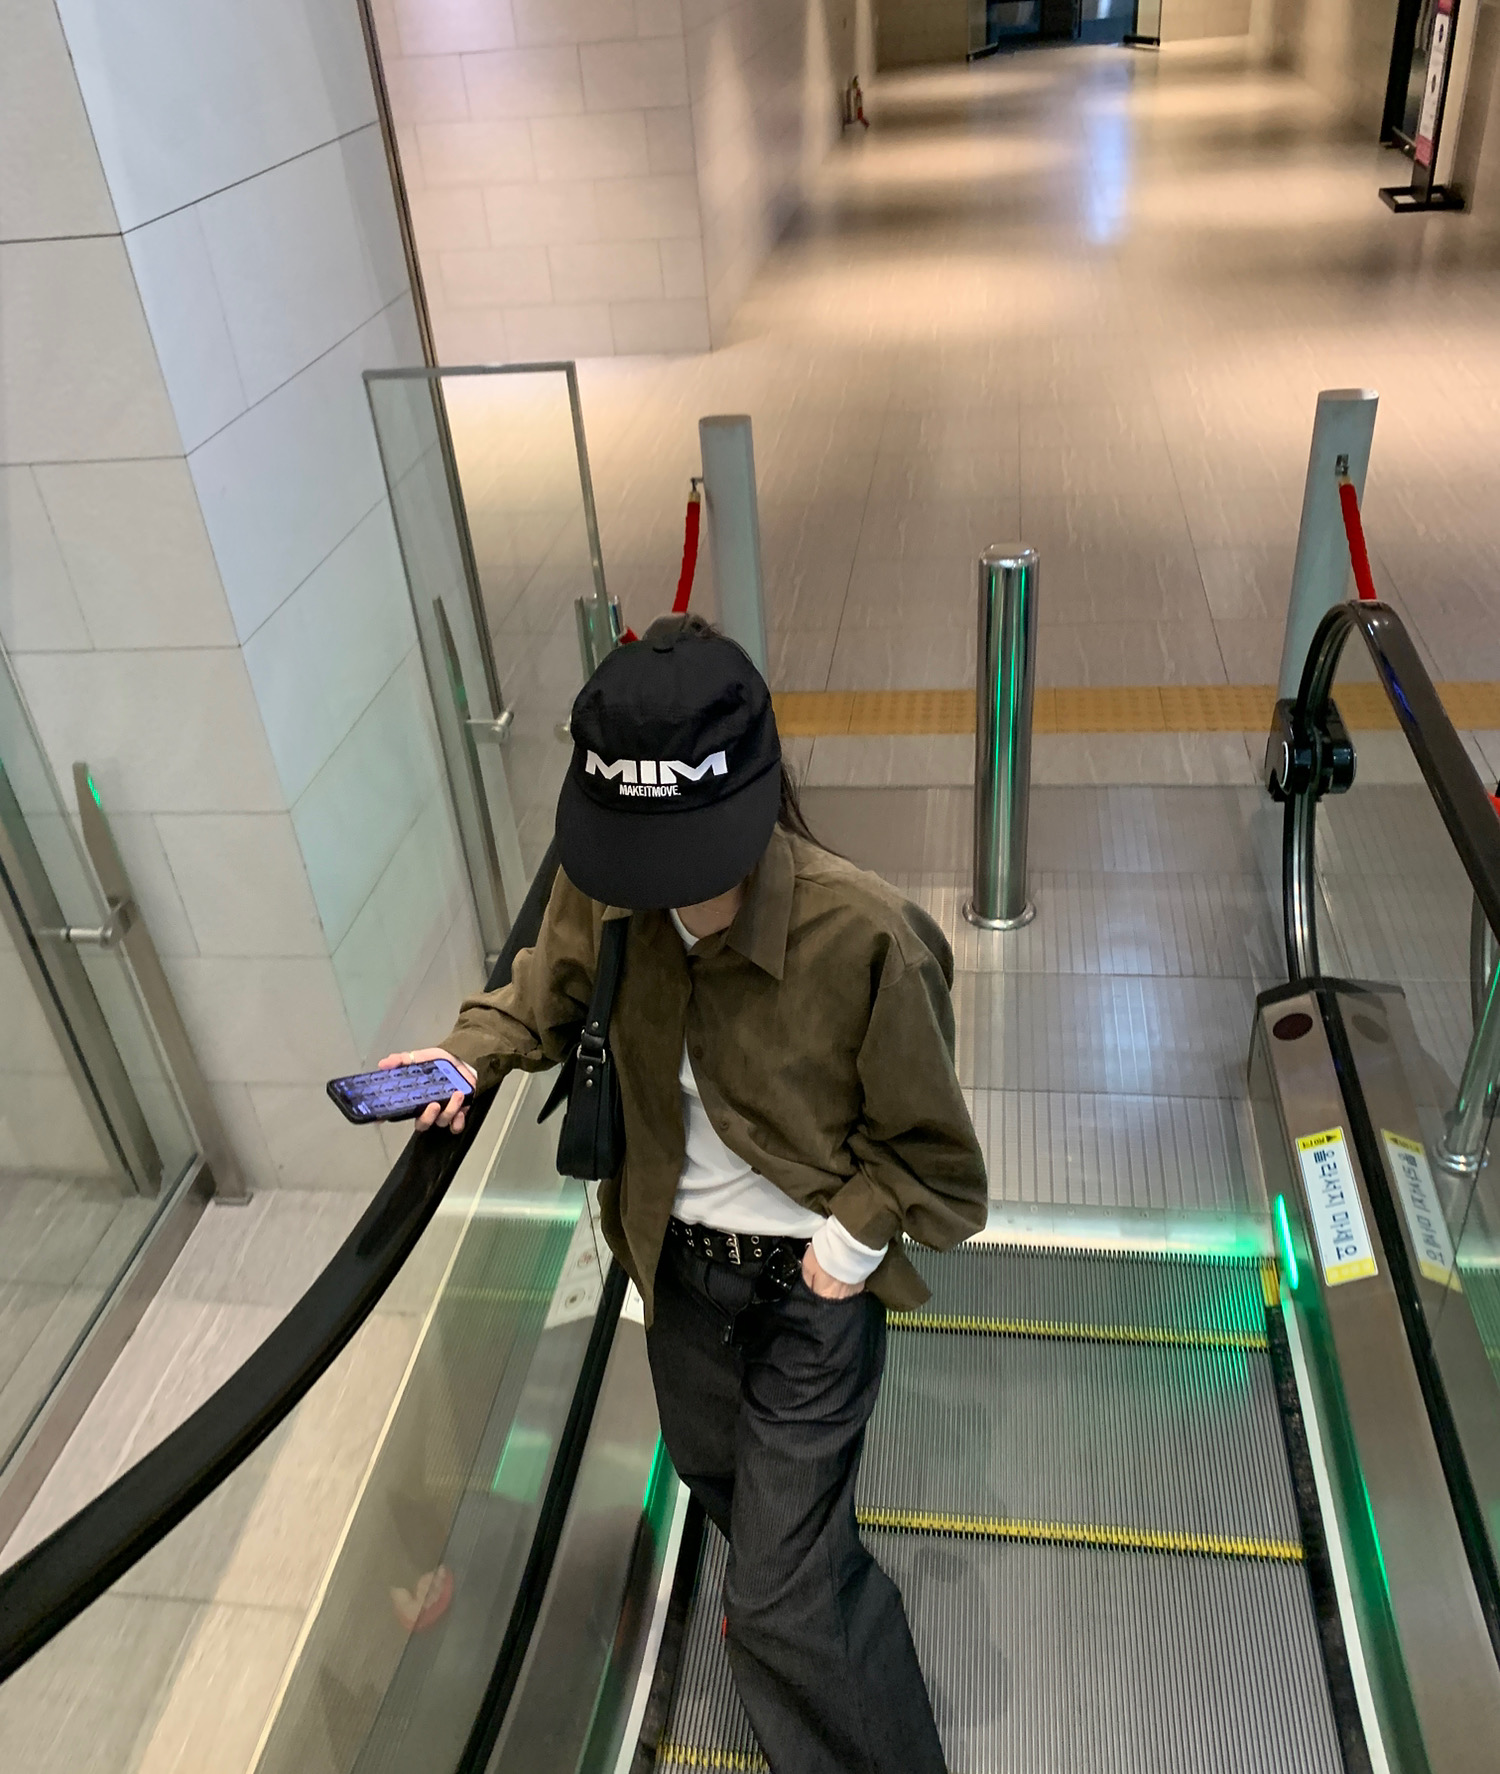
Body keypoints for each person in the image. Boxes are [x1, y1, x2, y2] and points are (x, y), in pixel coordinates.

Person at [385, 613, 987, 1774]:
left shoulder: (864, 935)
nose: (662, 892)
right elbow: (542, 993)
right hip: (679, 1278)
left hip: (809, 1296)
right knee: (735, 1505)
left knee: (778, 1597)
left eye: (684, 856)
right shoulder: (607, 892)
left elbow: (940, 1164)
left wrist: (850, 1244)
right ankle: (791, 1626)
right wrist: (464, 1057)